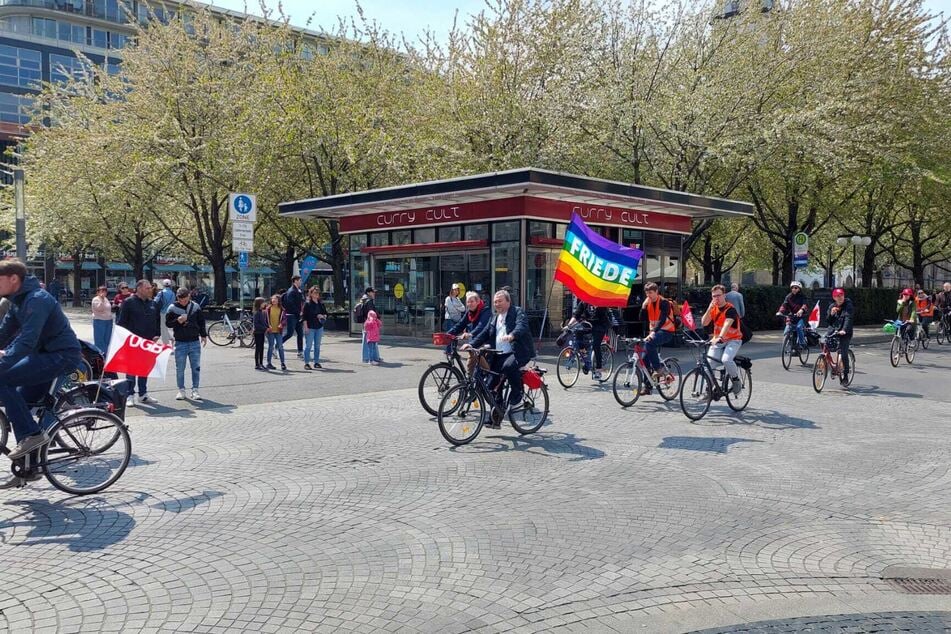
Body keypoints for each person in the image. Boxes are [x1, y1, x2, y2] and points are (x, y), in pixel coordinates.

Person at [0, 259, 83, 486]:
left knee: (2, 378)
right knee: (21, 403)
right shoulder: (18, 301)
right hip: (43, 356)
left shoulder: (38, 299)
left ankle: (33, 435)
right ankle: (28, 469)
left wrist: (4, 357)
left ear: (13, 279)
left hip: (62, 355)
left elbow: (27, 341)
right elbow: (3, 332)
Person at [464, 289, 533, 427]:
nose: (497, 304)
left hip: (518, 353)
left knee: (508, 367)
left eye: (500, 301)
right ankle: (496, 416)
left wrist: (512, 335)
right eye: (495, 302)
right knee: (490, 385)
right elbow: (484, 334)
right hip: (498, 354)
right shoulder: (495, 318)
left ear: (508, 301)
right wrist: (470, 345)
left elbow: (522, 326)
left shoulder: (517, 312)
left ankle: (517, 392)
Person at [116, 279, 161, 406]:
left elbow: (157, 320)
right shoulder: (128, 302)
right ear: (139, 288)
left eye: (150, 288)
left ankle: (143, 394)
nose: (150, 290)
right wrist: (124, 338)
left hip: (148, 341)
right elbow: (121, 322)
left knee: (144, 369)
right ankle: (130, 394)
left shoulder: (153, 303)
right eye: (147, 288)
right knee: (131, 369)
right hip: (133, 342)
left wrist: (157, 334)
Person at [701, 284, 744, 396]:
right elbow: (704, 322)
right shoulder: (714, 308)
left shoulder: (730, 309)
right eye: (714, 296)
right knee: (708, 364)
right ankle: (710, 388)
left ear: (724, 295)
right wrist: (709, 308)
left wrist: (720, 337)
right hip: (718, 341)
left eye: (719, 295)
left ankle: (735, 380)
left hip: (733, 340)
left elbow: (727, 324)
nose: (716, 298)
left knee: (726, 360)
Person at [166, 287, 207, 401]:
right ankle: (181, 390)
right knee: (180, 368)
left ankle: (195, 390)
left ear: (189, 296)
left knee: (196, 367)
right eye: (180, 299)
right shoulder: (172, 308)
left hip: (194, 341)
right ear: (177, 298)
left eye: (185, 299)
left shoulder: (195, 306)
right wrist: (177, 321)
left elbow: (201, 321)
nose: (183, 301)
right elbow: (168, 323)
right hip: (180, 342)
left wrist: (203, 335)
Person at [640, 282, 676, 387]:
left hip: (666, 332)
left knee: (650, 343)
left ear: (656, 292)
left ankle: (658, 369)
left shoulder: (664, 303)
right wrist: (643, 306)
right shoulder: (648, 303)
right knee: (644, 359)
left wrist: (652, 333)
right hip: (654, 333)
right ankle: (648, 386)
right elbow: (641, 319)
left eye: (650, 293)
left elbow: (662, 320)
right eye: (647, 293)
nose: (648, 295)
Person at [567, 298, 612, 380]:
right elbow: (576, 315)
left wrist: (597, 307)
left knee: (596, 345)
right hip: (588, 324)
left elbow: (604, 313)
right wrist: (569, 325)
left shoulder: (601, 302)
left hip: (600, 325)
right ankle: (584, 354)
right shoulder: (583, 302)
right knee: (577, 332)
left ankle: (598, 370)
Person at [448, 291, 492, 373]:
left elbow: (481, 327)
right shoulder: (469, 312)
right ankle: (470, 382)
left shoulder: (485, 311)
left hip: (484, 341)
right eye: (468, 302)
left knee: (474, 359)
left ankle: (490, 378)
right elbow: (460, 324)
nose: (469, 304)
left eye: (472, 301)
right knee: (472, 361)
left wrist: (470, 334)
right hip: (474, 341)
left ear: (478, 301)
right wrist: (448, 334)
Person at [827, 287, 854, 385]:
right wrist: (831, 314)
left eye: (841, 295)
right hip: (834, 330)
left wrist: (844, 330)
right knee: (825, 344)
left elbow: (848, 318)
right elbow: (828, 321)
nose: (840, 297)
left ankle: (845, 375)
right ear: (834, 297)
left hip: (845, 332)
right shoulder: (832, 306)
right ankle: (829, 364)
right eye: (837, 296)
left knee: (843, 352)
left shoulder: (848, 306)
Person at [302, 285, 328, 370]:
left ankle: (316, 362)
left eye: (318, 293)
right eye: (314, 293)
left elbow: (325, 313)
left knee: (317, 346)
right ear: (311, 293)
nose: (316, 295)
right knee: (308, 345)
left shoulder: (321, 303)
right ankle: (306, 363)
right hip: (310, 327)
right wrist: (306, 327)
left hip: (319, 326)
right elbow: (304, 316)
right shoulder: (307, 304)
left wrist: (323, 316)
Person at [778, 281, 808, 348]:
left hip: (801, 317)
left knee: (798, 328)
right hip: (791, 316)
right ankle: (788, 342)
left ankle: (802, 343)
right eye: (792, 288)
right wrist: (780, 311)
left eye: (796, 288)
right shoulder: (788, 297)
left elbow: (805, 305)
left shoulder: (802, 296)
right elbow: (784, 305)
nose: (794, 289)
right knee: (787, 330)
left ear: (799, 289)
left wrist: (801, 310)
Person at [281, 275, 305, 358]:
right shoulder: (291, 291)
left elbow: (301, 302)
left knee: (300, 333)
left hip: (297, 315)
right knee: (289, 333)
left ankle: (300, 351)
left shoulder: (298, 290)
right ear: (295, 281)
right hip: (291, 315)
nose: (301, 282)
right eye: (299, 280)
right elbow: (291, 304)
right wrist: (299, 312)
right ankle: (277, 346)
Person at [266, 294, 287, 371]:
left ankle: (283, 363)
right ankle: (269, 363)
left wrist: (282, 324)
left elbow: (284, 319)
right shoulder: (268, 309)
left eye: (275, 299)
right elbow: (265, 319)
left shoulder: (282, 309)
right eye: (272, 299)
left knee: (280, 347)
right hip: (270, 331)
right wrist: (268, 326)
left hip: (278, 331)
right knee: (270, 346)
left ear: (278, 300)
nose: (273, 300)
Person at [91, 285, 114, 356]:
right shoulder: (96, 299)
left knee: (107, 340)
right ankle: (100, 355)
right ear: (98, 292)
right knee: (100, 340)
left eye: (105, 291)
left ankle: (105, 354)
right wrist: (101, 299)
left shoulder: (106, 299)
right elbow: (99, 308)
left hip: (108, 321)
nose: (103, 293)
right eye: (102, 291)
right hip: (99, 321)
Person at [358, 287, 378, 363]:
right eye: (373, 292)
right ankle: (368, 358)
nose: (374, 293)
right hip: (370, 323)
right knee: (370, 341)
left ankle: (374, 357)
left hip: (366, 323)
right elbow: (371, 313)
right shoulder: (368, 301)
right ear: (368, 293)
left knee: (369, 340)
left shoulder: (364, 300)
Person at [252, 297, 268, 371]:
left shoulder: (261, 311)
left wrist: (267, 327)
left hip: (261, 332)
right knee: (258, 348)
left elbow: (263, 322)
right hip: (258, 332)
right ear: (259, 304)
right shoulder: (257, 312)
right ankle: (257, 364)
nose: (264, 303)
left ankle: (261, 363)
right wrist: (265, 328)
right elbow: (256, 324)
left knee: (261, 348)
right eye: (263, 302)